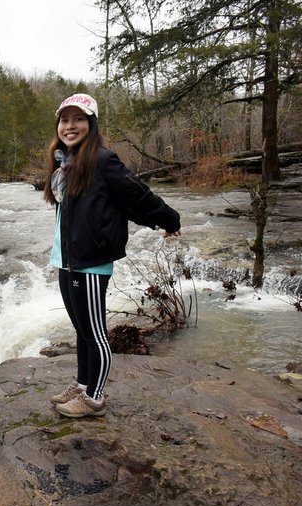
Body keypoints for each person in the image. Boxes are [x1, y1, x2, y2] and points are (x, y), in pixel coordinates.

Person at [44, 93, 181, 418]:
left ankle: (94, 398)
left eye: (79, 119)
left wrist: (168, 218)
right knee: (81, 329)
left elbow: (136, 196)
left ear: (91, 124)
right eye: (65, 120)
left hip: (91, 261)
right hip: (67, 259)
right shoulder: (65, 161)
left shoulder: (104, 160)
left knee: (94, 332)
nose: (70, 125)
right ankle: (81, 384)